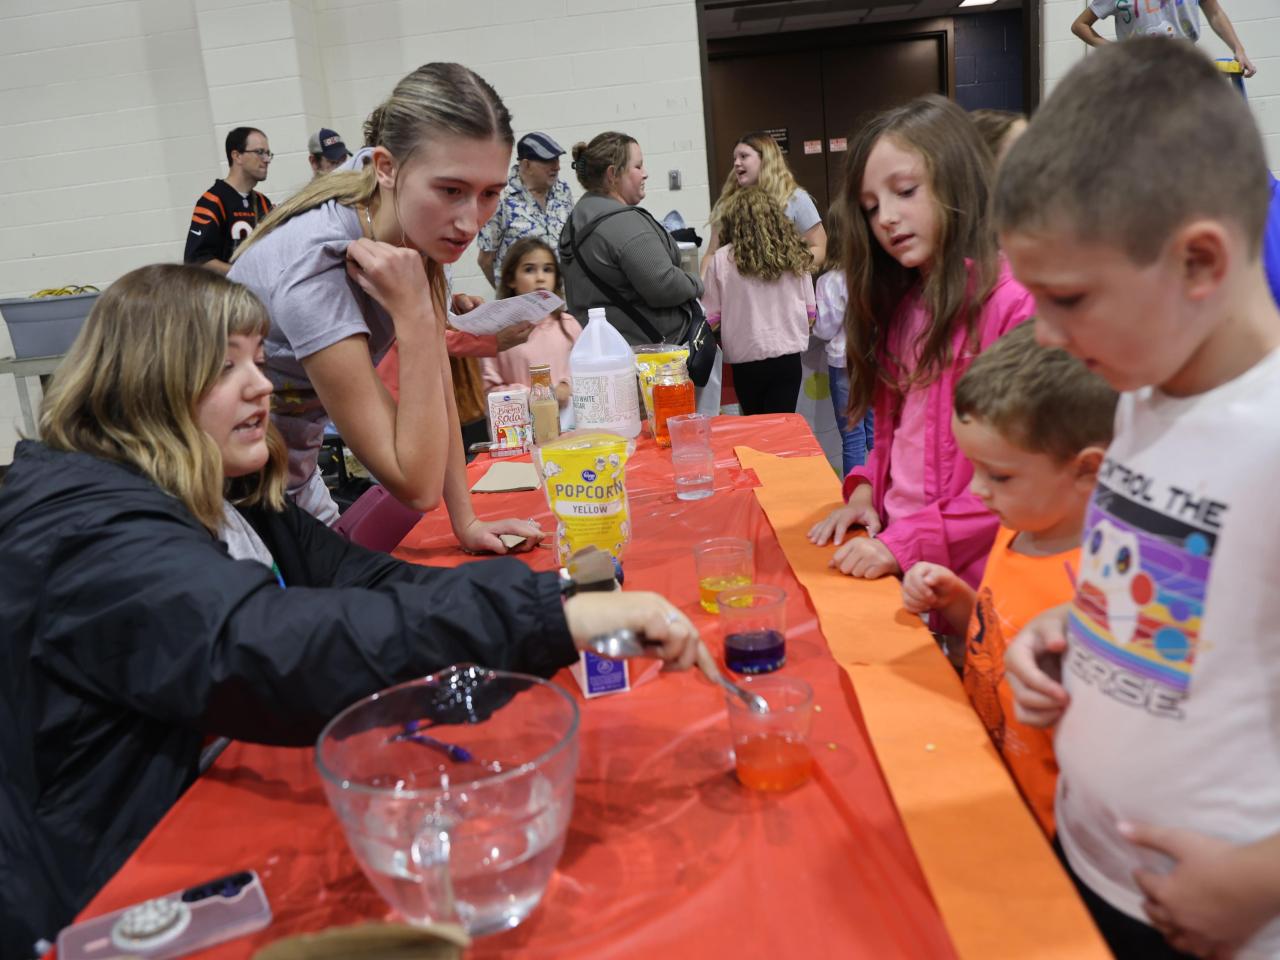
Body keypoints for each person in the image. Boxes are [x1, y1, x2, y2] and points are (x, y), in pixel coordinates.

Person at [0, 264, 701, 955]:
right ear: (144, 386)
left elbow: (366, 584)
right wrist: (547, 619)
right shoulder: (88, 532)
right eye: (224, 366)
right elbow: (263, 646)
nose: (262, 383)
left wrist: (560, 599)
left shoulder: (222, 491)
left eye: (257, 357)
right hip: (99, 896)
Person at [996, 39, 1280, 959]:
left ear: (1200, 262)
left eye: (1068, 297)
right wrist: (1083, 633)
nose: (1043, 331)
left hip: (1220, 913)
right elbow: (1192, 604)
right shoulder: (1144, 394)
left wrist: (1255, 884)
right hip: (1094, 862)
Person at [227, 63, 538, 554]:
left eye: (490, 194)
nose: (469, 221)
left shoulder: (398, 207)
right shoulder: (315, 268)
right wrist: (414, 316)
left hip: (290, 484)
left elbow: (437, 384)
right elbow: (415, 487)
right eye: (451, 190)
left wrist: (467, 522)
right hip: (222, 508)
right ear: (388, 167)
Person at [806, 95, 1035, 589]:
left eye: (905, 191)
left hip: (966, 578)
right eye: (871, 208)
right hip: (905, 558)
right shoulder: (903, 306)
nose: (886, 217)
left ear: (958, 180)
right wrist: (866, 490)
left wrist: (903, 544)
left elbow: (1019, 481)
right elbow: (899, 437)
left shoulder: (1015, 306)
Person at [900, 323, 1117, 836]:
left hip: (1048, 823)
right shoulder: (1019, 527)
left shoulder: (1097, 582)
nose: (977, 490)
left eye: (999, 476)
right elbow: (996, 632)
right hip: (994, 773)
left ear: (1089, 469)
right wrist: (957, 601)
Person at [559, 131, 703, 347]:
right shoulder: (623, 224)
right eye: (638, 166)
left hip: (601, 350)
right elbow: (663, 286)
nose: (645, 174)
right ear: (612, 174)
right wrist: (697, 283)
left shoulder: (576, 220)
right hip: (649, 355)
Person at [700, 187, 815, 415]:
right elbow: (810, 314)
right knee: (783, 426)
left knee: (756, 428)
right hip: (788, 357)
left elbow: (710, 317)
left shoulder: (721, 260)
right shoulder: (795, 255)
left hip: (745, 360)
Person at [480, 236, 581, 430]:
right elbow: (490, 390)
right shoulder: (498, 333)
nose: (540, 277)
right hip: (520, 432)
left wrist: (566, 386)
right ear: (511, 279)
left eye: (548, 269)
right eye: (529, 270)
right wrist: (537, 396)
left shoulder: (568, 325)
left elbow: (586, 372)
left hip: (570, 428)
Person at [705, 131, 827, 272]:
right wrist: (702, 286)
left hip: (783, 288)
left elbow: (820, 248)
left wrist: (786, 264)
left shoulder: (795, 198)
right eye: (734, 159)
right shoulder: (727, 203)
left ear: (765, 159)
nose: (736, 163)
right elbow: (711, 254)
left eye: (743, 156)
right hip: (739, 290)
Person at [813, 197, 873, 476]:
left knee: (852, 437)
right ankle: (885, 491)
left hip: (844, 362)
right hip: (876, 360)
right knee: (876, 434)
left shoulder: (830, 281)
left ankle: (856, 496)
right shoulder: (874, 274)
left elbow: (825, 328)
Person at [477, 132, 575, 288]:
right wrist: (505, 296)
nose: (556, 167)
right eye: (548, 161)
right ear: (526, 164)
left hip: (562, 300)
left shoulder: (562, 191)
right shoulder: (500, 198)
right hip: (522, 304)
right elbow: (485, 259)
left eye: (556, 160)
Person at [1072, 0, 1257, 76]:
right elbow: (1080, 25)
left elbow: (1215, 13)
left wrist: (1238, 49)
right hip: (1140, 73)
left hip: (1185, 68)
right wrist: (1115, 50)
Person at [184, 126, 273, 275]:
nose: (266, 160)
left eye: (268, 154)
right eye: (259, 153)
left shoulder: (263, 202)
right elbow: (196, 259)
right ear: (237, 156)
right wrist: (242, 275)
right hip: (227, 295)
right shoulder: (212, 201)